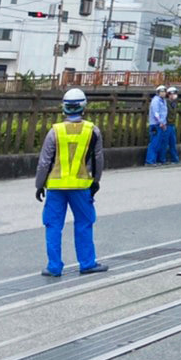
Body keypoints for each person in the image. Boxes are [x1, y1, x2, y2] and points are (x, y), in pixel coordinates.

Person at [34, 87, 107, 277]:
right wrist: (96, 181)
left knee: (53, 225)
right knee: (84, 223)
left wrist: (39, 184)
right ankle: (87, 263)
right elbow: (98, 159)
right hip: (81, 186)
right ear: (83, 107)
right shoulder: (92, 131)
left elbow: (44, 161)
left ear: (64, 108)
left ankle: (54, 267)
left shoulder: (55, 132)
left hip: (56, 187)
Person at [145, 84, 168, 165]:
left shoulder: (163, 101)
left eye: (165, 91)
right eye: (162, 91)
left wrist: (164, 123)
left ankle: (156, 160)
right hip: (156, 124)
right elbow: (156, 113)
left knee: (160, 143)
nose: (164, 93)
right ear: (158, 92)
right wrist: (160, 122)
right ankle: (150, 161)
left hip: (162, 124)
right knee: (154, 143)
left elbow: (164, 113)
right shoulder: (156, 100)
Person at [163, 85, 180, 164]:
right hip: (166, 124)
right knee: (165, 142)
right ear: (168, 94)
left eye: (175, 93)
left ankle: (175, 159)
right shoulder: (165, 102)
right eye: (171, 93)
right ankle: (163, 159)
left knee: (173, 143)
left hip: (172, 124)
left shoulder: (174, 103)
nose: (173, 95)